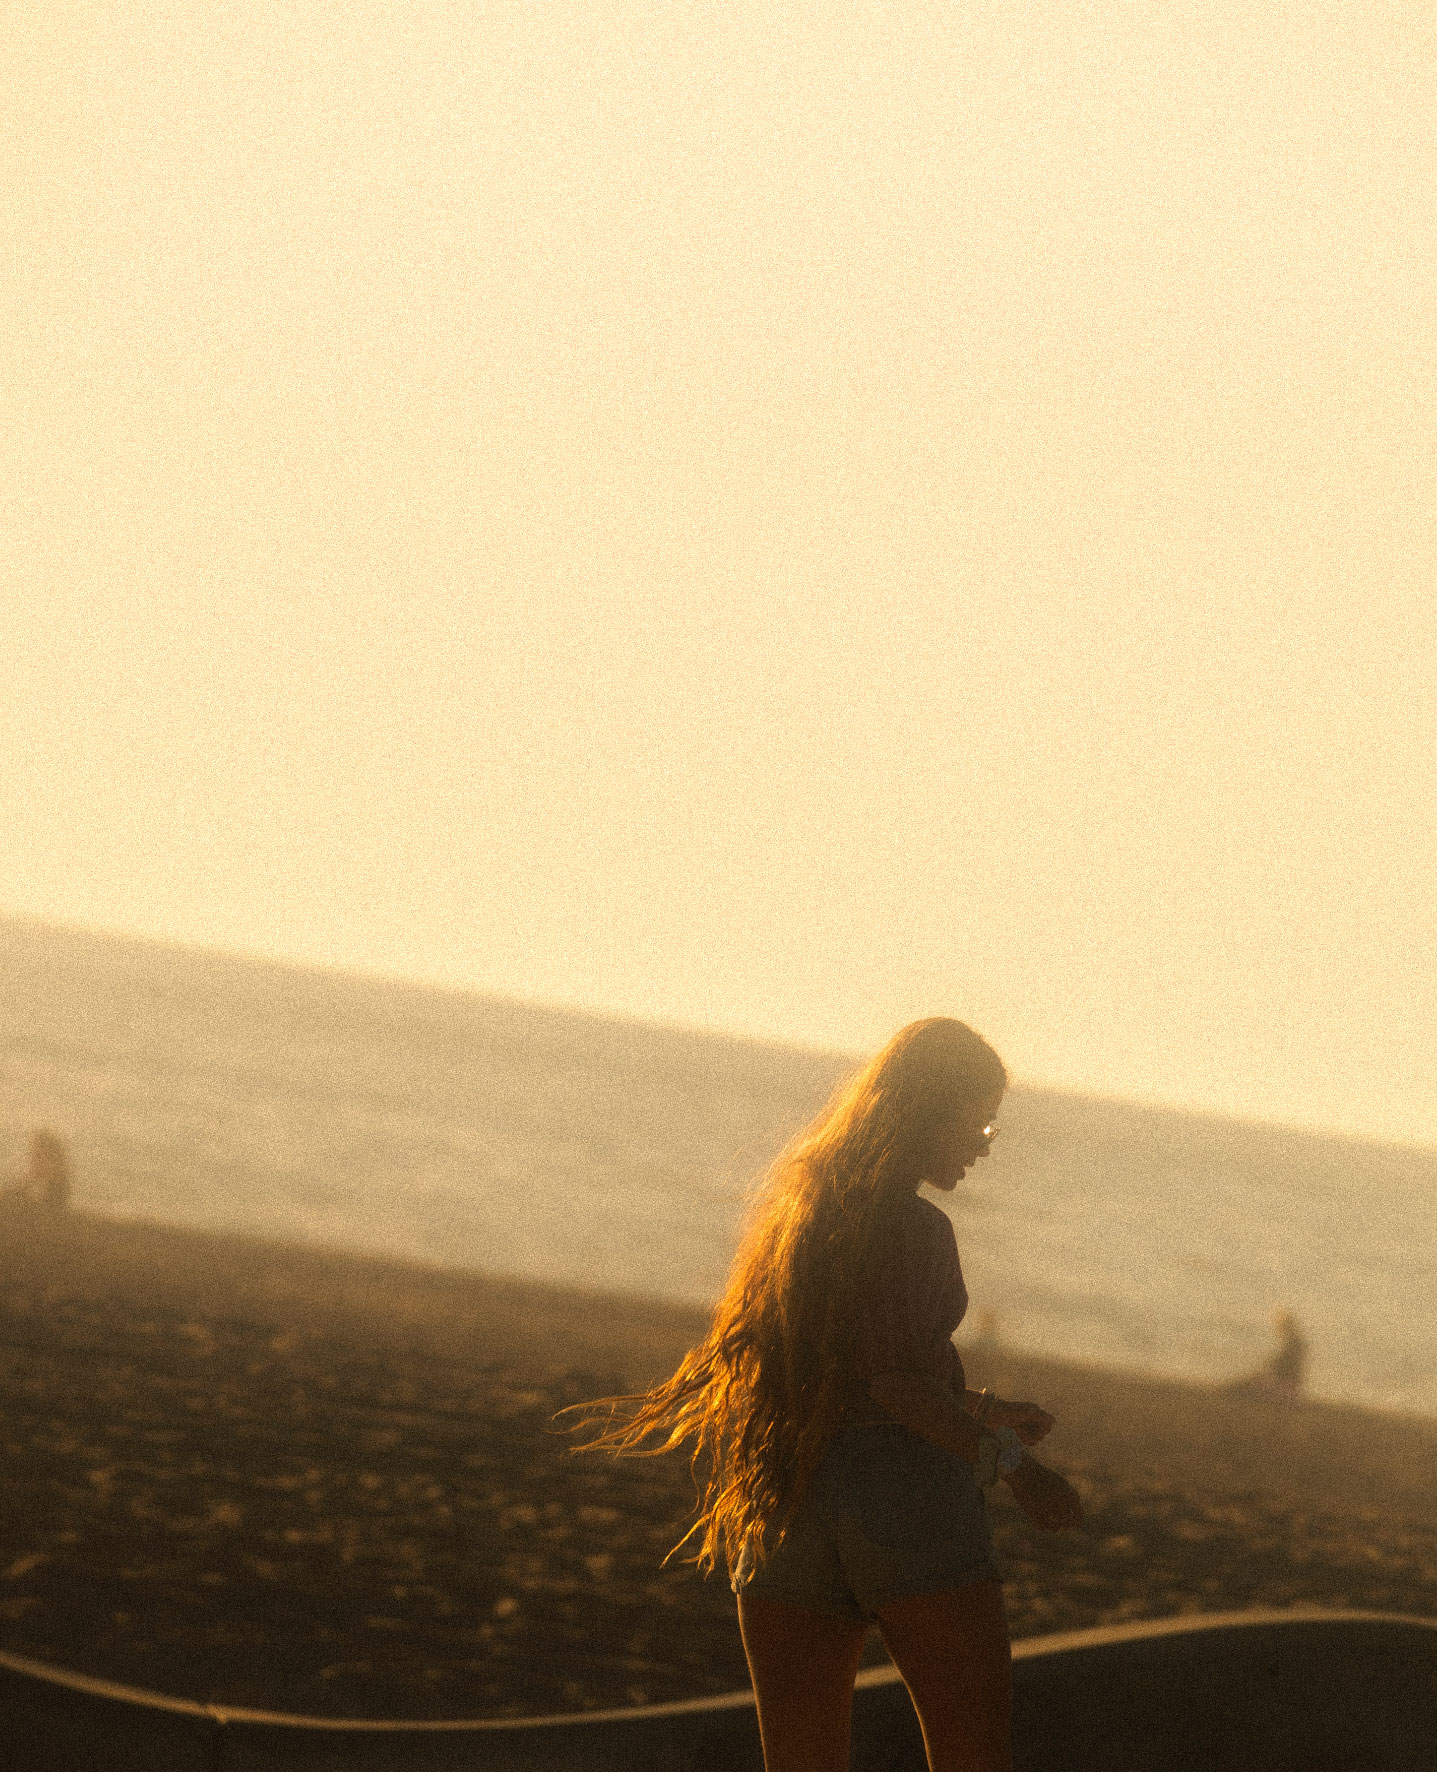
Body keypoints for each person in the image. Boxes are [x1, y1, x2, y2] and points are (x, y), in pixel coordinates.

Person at [566, 1018, 1084, 1772]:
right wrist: (1019, 1468)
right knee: (971, 1757)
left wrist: (980, 1407)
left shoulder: (795, 1217)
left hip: (786, 1501)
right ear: (925, 1112)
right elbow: (895, 1387)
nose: (984, 1140)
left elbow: (856, 1374)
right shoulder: (916, 1229)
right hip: (905, 1506)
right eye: (976, 1119)